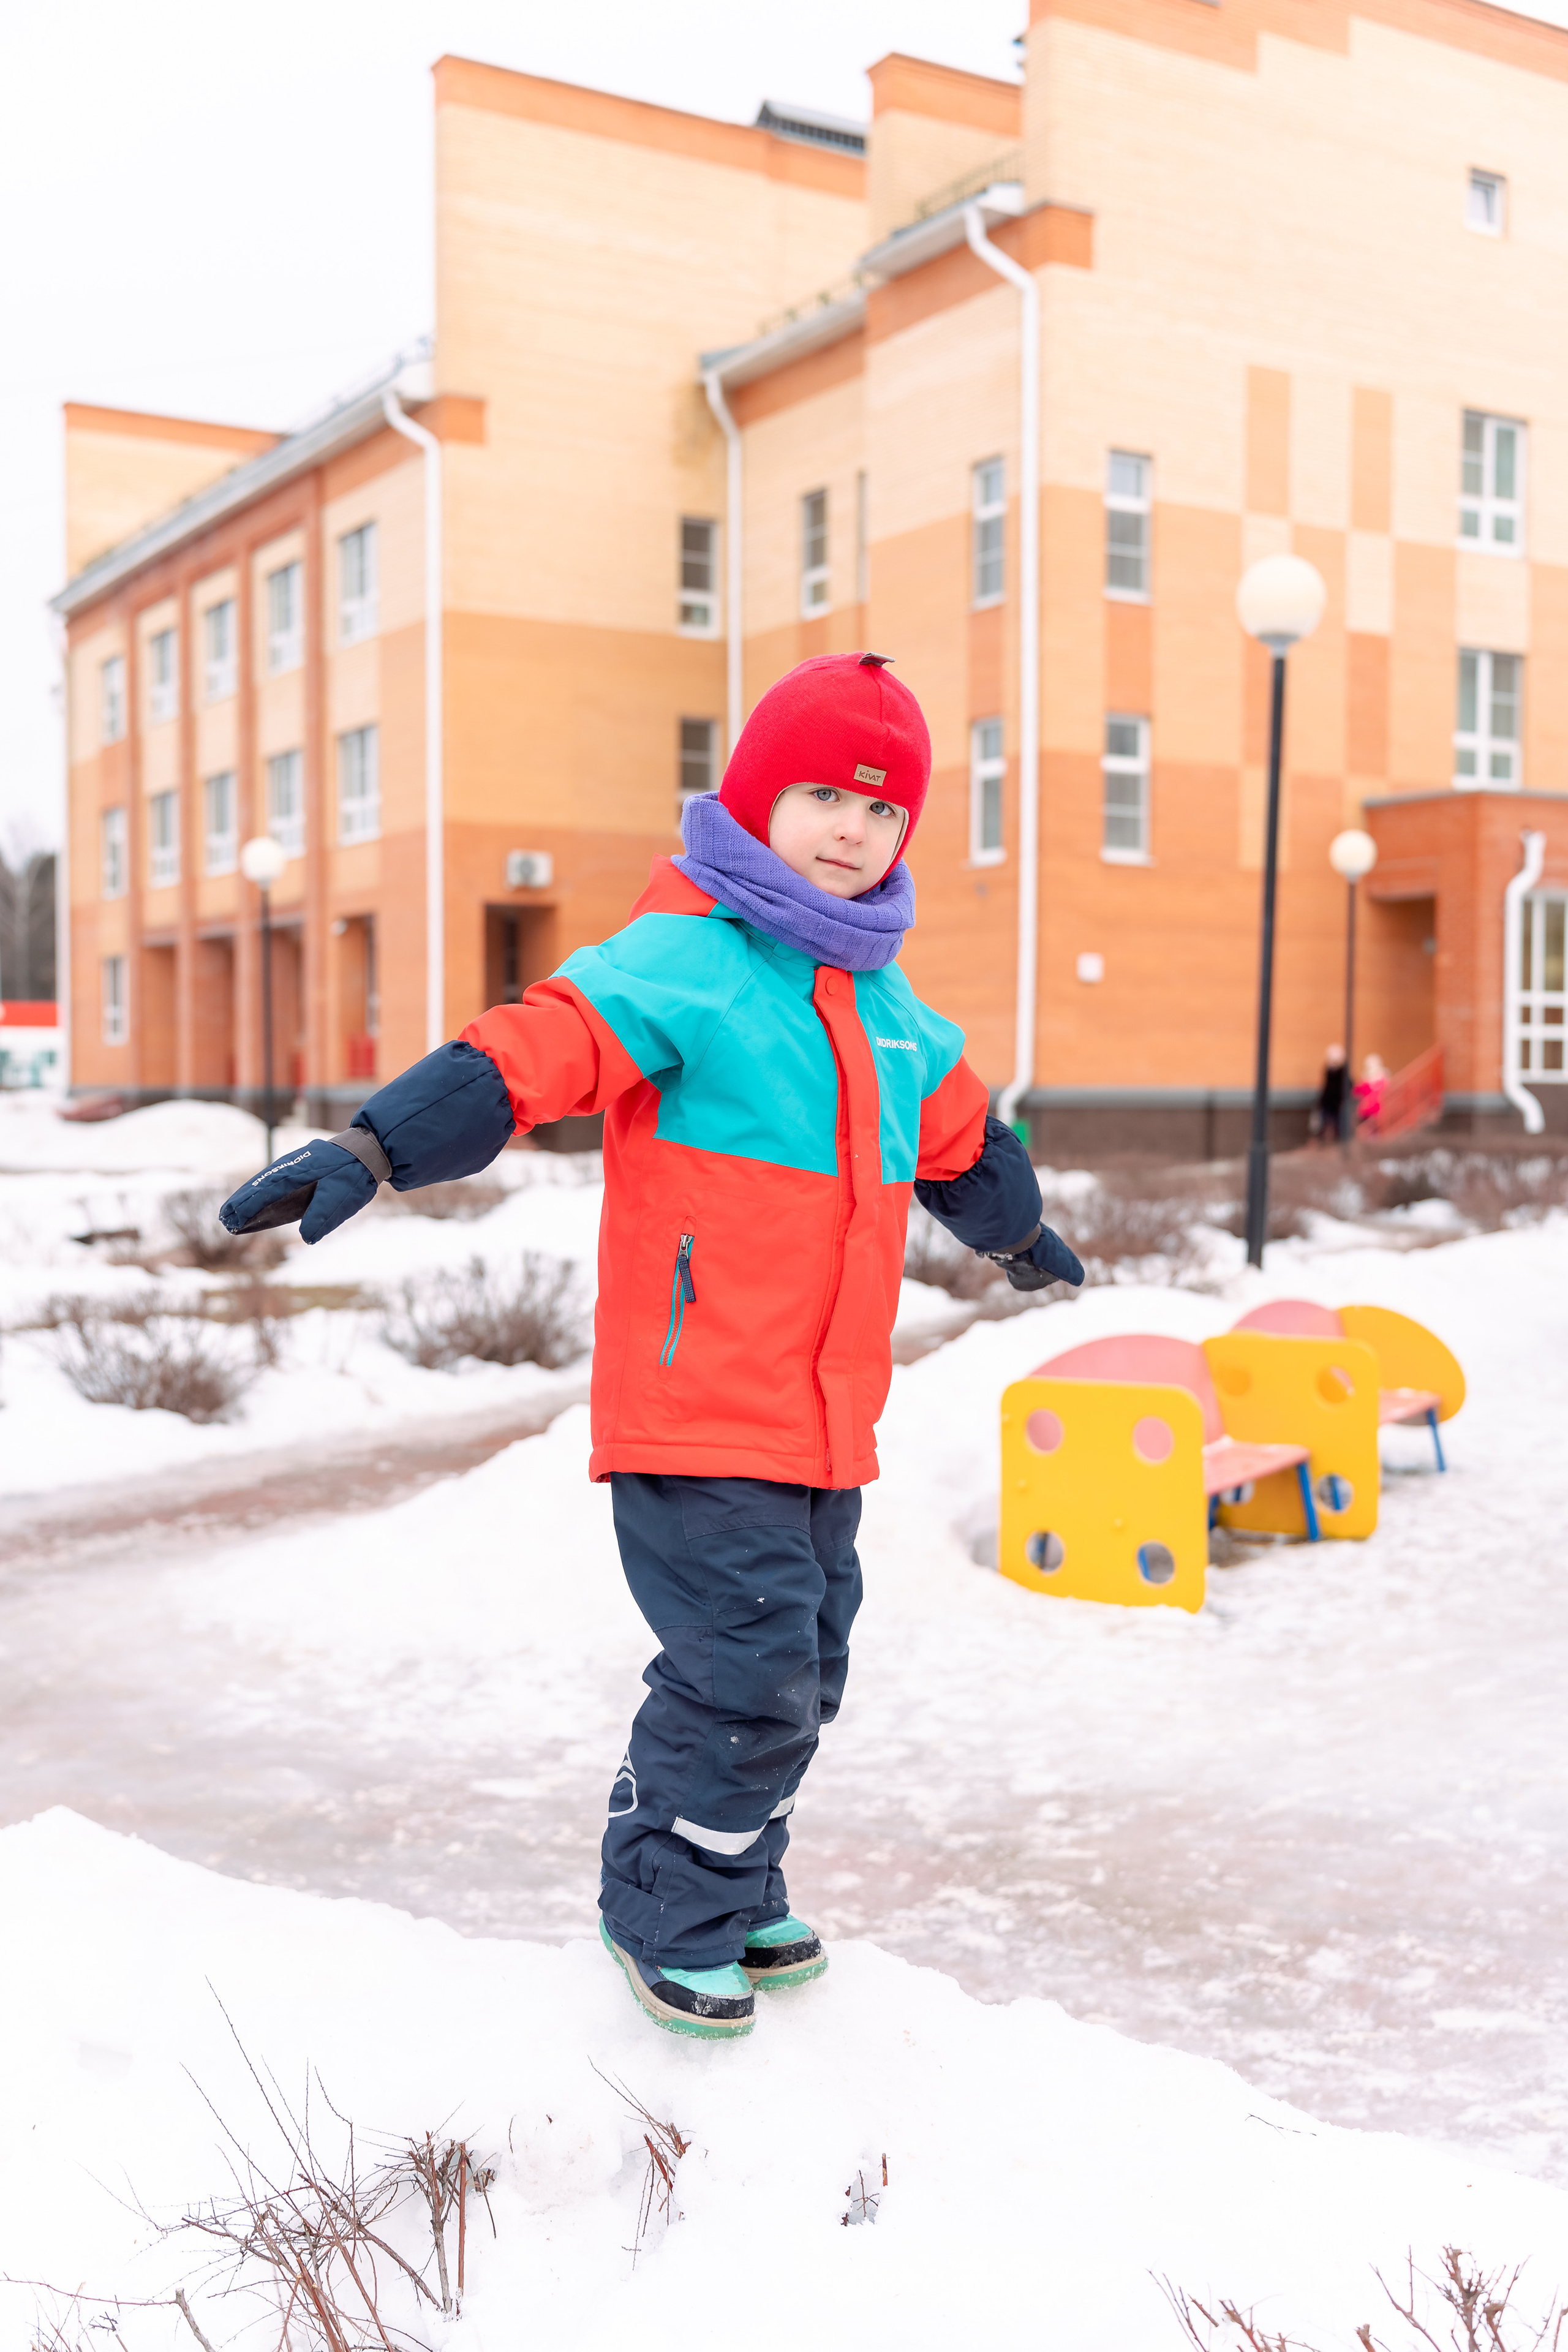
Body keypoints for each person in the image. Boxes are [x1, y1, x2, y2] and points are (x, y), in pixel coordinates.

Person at [219, 652, 1083, 2042]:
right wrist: (379, 1142)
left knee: (808, 1662)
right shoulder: (685, 956)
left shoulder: (885, 1002)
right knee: (742, 1665)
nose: (850, 829)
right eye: (819, 795)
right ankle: (662, 1906)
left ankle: (733, 1881)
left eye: (881, 811)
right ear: (755, 796)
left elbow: (963, 1137)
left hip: (818, 1419)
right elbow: (533, 1047)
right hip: (694, 1401)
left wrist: (1017, 1231)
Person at [1316, 1043, 1348, 1144]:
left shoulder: (1343, 1071)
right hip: (1328, 1101)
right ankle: (1323, 1142)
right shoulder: (1329, 1070)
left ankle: (1338, 1141)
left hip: (1338, 1102)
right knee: (1324, 1123)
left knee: (1338, 1124)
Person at [1353, 1050, 1388, 1134]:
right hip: (1366, 1110)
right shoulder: (1365, 1079)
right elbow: (1356, 1091)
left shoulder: (1382, 1078)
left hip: (1378, 1111)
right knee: (1366, 1130)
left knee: (1375, 1130)